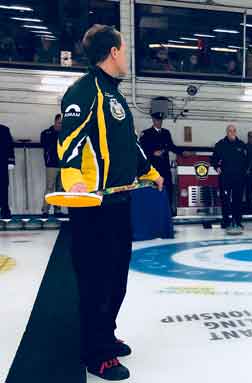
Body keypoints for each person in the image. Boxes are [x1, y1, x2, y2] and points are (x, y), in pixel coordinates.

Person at [58, 24, 163, 381]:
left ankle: (106, 333)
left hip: (120, 203)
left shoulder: (115, 97)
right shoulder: (83, 92)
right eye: (125, 48)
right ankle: (96, 353)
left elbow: (129, 146)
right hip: (92, 206)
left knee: (116, 278)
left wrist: (150, 172)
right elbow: (68, 145)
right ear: (114, 52)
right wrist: (74, 183)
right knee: (96, 281)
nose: (128, 55)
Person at [139, 112, 182, 210]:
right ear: (153, 121)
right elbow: (142, 150)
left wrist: (182, 152)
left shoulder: (166, 133)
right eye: (157, 120)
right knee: (153, 189)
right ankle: (153, 210)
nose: (159, 122)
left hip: (165, 167)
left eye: (160, 120)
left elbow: (171, 146)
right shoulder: (146, 133)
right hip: (153, 168)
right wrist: (153, 153)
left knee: (168, 188)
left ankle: (167, 210)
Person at [211, 124, 248, 229]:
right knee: (225, 200)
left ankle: (237, 220)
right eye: (230, 131)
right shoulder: (220, 144)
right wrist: (217, 167)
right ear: (226, 132)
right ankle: (226, 220)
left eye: (234, 131)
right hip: (225, 177)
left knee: (238, 200)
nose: (232, 133)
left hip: (239, 178)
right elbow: (214, 159)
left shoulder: (241, 144)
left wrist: (244, 172)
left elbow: (247, 160)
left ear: (236, 132)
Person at [40, 114, 63, 217]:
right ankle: (45, 210)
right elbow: (45, 145)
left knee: (60, 189)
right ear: (55, 122)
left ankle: (57, 210)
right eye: (59, 123)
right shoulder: (46, 133)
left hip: (63, 165)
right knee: (49, 187)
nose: (60, 125)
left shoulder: (66, 133)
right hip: (51, 164)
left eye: (62, 123)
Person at [0, 124, 14, 219]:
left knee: (3, 186)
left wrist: (11, 161)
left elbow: (10, 146)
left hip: (2, 163)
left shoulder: (4, 130)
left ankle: (5, 210)